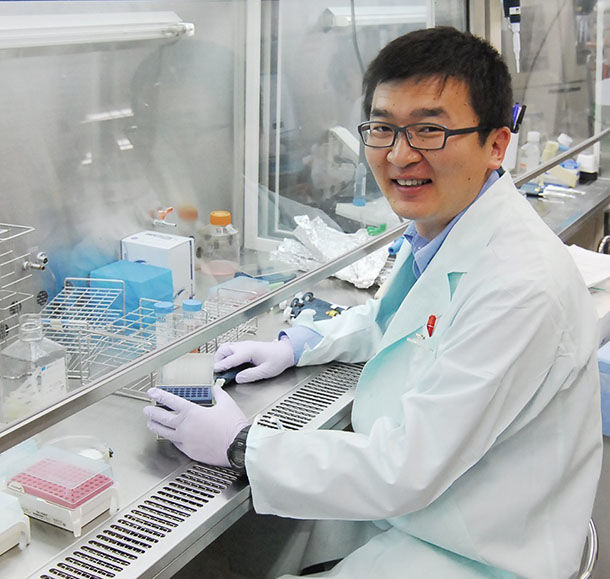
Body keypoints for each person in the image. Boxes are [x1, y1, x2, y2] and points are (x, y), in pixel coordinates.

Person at [144, 26, 602, 578]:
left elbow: (405, 469)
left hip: (475, 555)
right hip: (434, 519)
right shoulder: (449, 228)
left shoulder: (519, 286)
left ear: (496, 145)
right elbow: (411, 324)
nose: (400, 155)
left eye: (429, 130)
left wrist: (242, 444)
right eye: (383, 128)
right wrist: (300, 344)